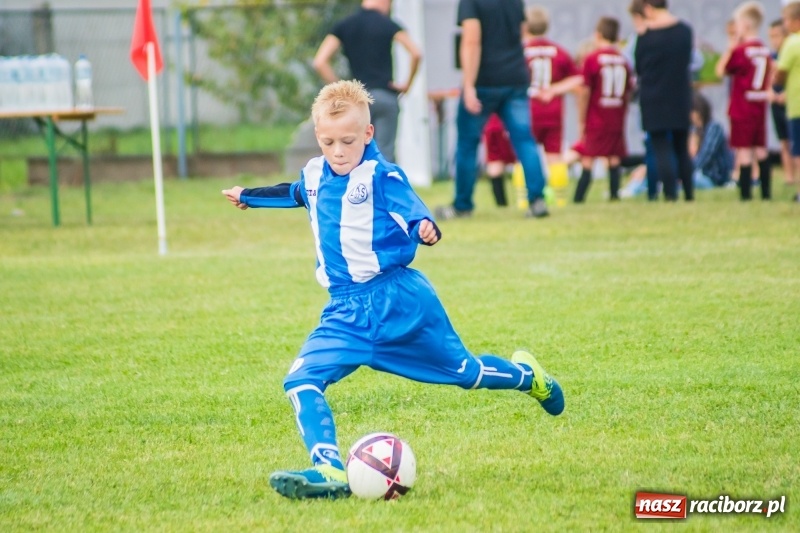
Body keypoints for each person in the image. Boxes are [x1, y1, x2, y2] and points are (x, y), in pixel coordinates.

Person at [221, 80, 564, 500]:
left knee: (466, 373)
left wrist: (424, 228)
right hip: (344, 311)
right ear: (318, 137)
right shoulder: (313, 174)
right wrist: (249, 196)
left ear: (368, 133)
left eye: (348, 141)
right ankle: (328, 468)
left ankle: (529, 378)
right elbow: (294, 193)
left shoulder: (382, 176)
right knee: (301, 380)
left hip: (398, 301)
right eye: (328, 142)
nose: (338, 151)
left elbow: (413, 212)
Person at [437, 0, 550, 219]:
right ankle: (537, 201)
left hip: (484, 81)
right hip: (515, 78)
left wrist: (469, 85)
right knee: (525, 140)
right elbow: (521, 32)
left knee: (468, 144)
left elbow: (472, 40)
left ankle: (462, 205)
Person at [312, 0, 422, 162]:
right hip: (385, 95)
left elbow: (320, 61)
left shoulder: (345, 25)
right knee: (385, 155)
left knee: (356, 153)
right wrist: (407, 85)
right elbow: (416, 53)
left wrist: (343, 90)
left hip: (357, 101)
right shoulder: (388, 24)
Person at [547, 17, 631, 202]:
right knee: (613, 156)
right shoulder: (623, 60)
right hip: (616, 115)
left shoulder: (593, 59)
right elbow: (629, 90)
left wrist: (582, 118)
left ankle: (579, 198)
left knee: (588, 157)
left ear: (597, 35)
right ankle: (614, 195)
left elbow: (585, 90)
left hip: (597, 116)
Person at [634, 0, 694, 202]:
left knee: (661, 146)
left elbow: (639, 67)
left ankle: (670, 194)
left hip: (653, 97)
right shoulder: (685, 31)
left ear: (648, 8)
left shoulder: (646, 36)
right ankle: (689, 193)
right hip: (680, 95)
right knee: (681, 147)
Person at [622, 91, 733, 197]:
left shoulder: (713, 128)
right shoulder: (691, 130)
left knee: (687, 177)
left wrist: (680, 172)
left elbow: (703, 159)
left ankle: (659, 187)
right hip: (692, 172)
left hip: (709, 177)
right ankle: (632, 189)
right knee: (654, 172)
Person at [716, 1, 772, 201]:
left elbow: (721, 70)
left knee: (744, 150)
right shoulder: (764, 50)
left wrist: (731, 47)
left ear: (746, 25)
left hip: (742, 106)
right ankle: (766, 192)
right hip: (759, 105)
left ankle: (746, 193)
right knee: (761, 148)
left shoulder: (741, 51)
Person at [524, 6, 582, 166]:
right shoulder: (558, 51)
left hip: (528, 110)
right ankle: (556, 183)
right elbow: (578, 78)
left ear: (525, 26)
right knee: (554, 156)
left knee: (525, 151)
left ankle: (527, 183)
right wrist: (555, 89)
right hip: (553, 112)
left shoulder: (522, 52)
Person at [774, 1, 800, 202]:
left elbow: (779, 74)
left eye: (786, 20)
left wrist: (776, 82)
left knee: (798, 151)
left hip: (797, 105)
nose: (785, 24)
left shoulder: (792, 43)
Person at [768, 18, 795, 185]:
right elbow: (767, 80)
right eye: (771, 36)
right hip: (775, 103)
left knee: (795, 141)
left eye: (776, 36)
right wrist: (770, 93)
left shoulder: (791, 52)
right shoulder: (771, 57)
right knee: (783, 141)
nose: (774, 40)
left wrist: (786, 94)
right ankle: (789, 177)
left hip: (791, 103)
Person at [481, 113, 515, 206]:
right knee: (521, 158)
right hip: (507, 123)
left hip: (492, 123)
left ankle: (501, 203)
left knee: (495, 161)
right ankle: (529, 201)